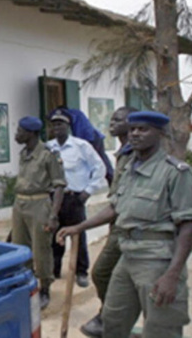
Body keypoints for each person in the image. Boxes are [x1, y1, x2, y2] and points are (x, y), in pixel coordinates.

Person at [58, 111, 192, 338]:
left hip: (157, 261)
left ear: (161, 133)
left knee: (161, 329)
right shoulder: (129, 169)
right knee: (113, 321)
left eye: (143, 129)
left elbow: (189, 225)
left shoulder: (176, 173)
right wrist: (79, 227)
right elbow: (115, 207)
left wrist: (172, 275)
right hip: (127, 256)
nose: (135, 133)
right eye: (133, 128)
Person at [80, 106, 137, 337]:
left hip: (131, 225)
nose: (111, 123)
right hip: (118, 223)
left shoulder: (137, 153)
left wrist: (82, 225)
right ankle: (109, 316)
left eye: (118, 119)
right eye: (111, 119)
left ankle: (111, 318)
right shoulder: (123, 151)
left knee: (103, 273)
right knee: (108, 274)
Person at [46, 109, 106, 287]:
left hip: (74, 198)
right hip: (53, 199)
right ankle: (54, 270)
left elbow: (99, 168)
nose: (57, 128)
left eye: (61, 124)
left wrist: (88, 190)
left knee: (78, 235)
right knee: (54, 235)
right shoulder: (48, 147)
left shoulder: (81, 146)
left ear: (68, 126)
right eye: (54, 124)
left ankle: (81, 272)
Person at [12, 116, 66, 309]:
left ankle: (45, 288)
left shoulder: (48, 154)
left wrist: (53, 214)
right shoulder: (23, 153)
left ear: (31, 133)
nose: (16, 134)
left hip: (39, 204)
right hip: (20, 204)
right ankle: (27, 283)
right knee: (20, 248)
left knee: (41, 249)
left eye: (20, 131)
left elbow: (59, 186)